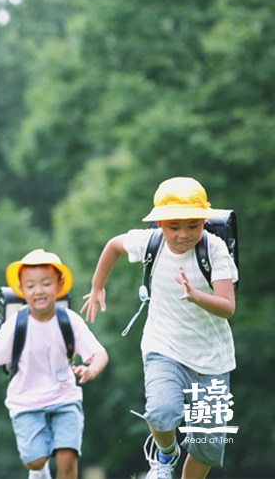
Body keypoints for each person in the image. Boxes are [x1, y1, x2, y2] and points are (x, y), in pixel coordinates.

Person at [81, 177, 237, 479]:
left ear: (204, 220)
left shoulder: (215, 250)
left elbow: (227, 306)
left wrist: (196, 295)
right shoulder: (149, 242)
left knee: (206, 448)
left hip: (213, 361)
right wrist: (97, 285)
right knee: (162, 412)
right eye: (173, 227)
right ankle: (165, 455)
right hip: (163, 347)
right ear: (160, 224)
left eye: (193, 225)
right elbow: (114, 245)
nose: (184, 235)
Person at [0, 249, 108, 479]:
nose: (38, 290)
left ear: (59, 286)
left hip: (64, 396)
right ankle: (40, 472)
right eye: (30, 285)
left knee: (67, 457)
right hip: (26, 400)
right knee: (35, 461)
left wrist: (92, 369)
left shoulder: (69, 320)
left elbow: (99, 353)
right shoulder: (15, 325)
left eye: (46, 283)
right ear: (21, 290)